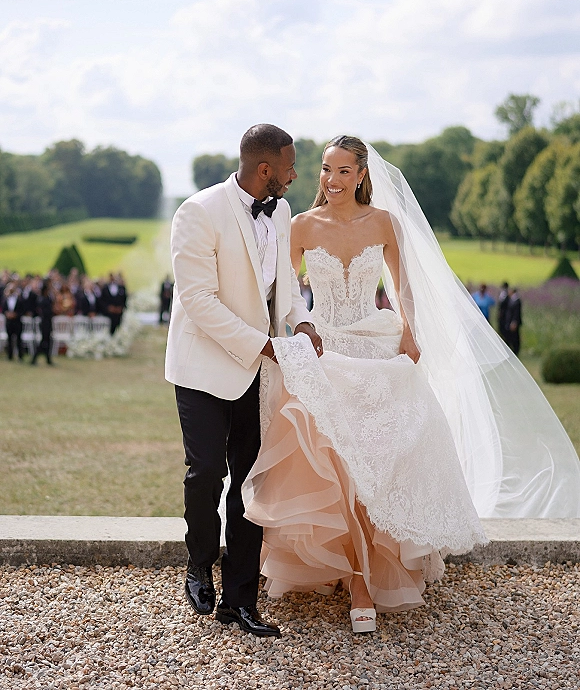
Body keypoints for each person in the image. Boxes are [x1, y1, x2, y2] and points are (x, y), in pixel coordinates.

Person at [243, 136, 580, 633]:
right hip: (325, 351)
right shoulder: (301, 225)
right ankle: (356, 579)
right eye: (324, 170)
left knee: (378, 466)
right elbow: (285, 294)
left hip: (376, 349)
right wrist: (285, 341)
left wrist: (409, 330)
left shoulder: (383, 222)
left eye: (341, 171)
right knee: (334, 466)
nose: (330, 181)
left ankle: (372, 571)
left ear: (361, 175)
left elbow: (402, 286)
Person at [165, 124, 321, 638]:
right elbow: (199, 301)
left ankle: (240, 600)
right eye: (290, 166)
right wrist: (264, 345)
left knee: (251, 483)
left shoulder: (281, 212)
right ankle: (198, 561)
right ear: (264, 169)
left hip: (259, 371)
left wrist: (301, 321)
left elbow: (284, 288)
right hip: (203, 367)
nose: (297, 174)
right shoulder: (198, 212)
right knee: (206, 472)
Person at [31, 282, 54, 365]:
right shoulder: (41, 299)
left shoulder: (47, 298)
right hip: (44, 322)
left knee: (48, 340)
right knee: (44, 341)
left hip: (48, 321)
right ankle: (34, 357)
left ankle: (48, 359)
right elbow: (44, 311)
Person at [2, 282, 26, 361]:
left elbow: (22, 310)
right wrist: (7, 314)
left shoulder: (20, 299)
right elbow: (3, 309)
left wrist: (15, 314)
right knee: (9, 339)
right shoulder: (5, 299)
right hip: (9, 322)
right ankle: (10, 356)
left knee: (19, 339)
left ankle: (20, 356)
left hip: (17, 322)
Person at [504, 288, 522, 356]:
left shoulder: (517, 301)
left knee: (515, 337)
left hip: (513, 322)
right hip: (510, 322)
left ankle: (516, 350)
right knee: (510, 337)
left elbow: (516, 313)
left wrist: (514, 322)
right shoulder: (511, 299)